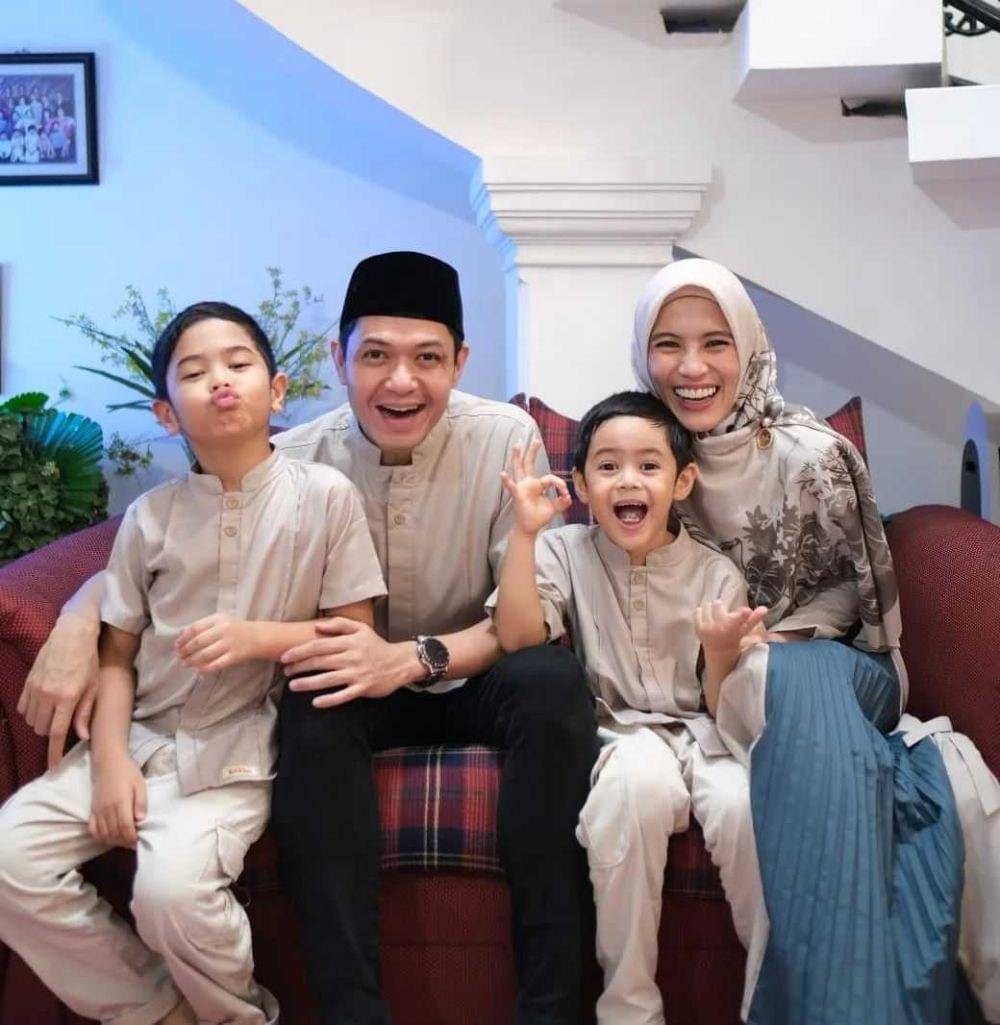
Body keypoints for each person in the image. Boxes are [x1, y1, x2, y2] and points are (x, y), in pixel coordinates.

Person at [18, 252, 599, 1025]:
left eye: (428, 358)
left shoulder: (505, 438)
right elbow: (154, 548)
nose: (401, 381)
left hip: (467, 667)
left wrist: (408, 657)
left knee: (552, 682)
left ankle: (553, 1009)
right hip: (350, 679)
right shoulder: (292, 458)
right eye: (376, 355)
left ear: (460, 362)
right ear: (338, 358)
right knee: (313, 702)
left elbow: (521, 624)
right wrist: (73, 618)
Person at [631, 257, 1000, 1024]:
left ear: (748, 346)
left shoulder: (810, 452)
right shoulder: (641, 455)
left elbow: (861, 600)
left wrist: (767, 639)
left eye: (715, 342)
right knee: (901, 785)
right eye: (668, 344)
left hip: (842, 667)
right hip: (724, 678)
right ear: (644, 352)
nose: (692, 367)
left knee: (795, 678)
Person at [0, 302, 387, 1025]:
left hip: (234, 751)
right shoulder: (150, 516)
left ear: (276, 390)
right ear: (167, 413)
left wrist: (256, 638)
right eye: (195, 372)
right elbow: (116, 653)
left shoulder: (327, 498)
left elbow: (354, 632)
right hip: (137, 734)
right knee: (7, 861)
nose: (220, 381)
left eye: (238, 364)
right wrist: (109, 762)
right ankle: (157, 1012)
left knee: (171, 895)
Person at [490, 391, 768, 1025]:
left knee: (746, 807)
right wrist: (525, 533)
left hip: (705, 734)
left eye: (648, 465)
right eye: (608, 467)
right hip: (619, 732)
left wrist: (721, 652)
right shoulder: (564, 551)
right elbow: (519, 638)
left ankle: (772, 999)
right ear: (581, 485)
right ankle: (629, 1006)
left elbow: (725, 707)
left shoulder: (717, 573)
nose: (628, 481)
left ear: (682, 481)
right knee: (631, 791)